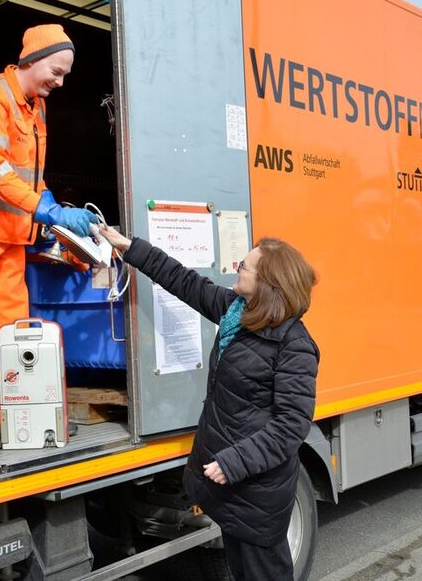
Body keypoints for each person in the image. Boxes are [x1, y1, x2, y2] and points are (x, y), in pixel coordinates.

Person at [99, 225, 319, 580]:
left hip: (257, 493)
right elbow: (183, 281)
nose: (238, 268)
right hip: (232, 488)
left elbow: (291, 425)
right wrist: (129, 246)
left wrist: (233, 463)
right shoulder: (238, 313)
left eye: (245, 266)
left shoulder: (293, 345)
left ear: (267, 282)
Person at [0, 24, 98, 445]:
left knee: (11, 332)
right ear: (34, 58)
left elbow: (34, 177)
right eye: (56, 71)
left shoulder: (35, 106)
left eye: (64, 75)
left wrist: (58, 216)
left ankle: (16, 415)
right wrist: (44, 208)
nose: (59, 82)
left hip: (15, 237)